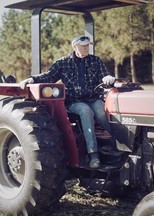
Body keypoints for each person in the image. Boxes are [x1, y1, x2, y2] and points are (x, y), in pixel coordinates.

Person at [20, 35, 115, 168]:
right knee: (85, 111)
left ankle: (116, 143)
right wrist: (32, 80)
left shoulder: (95, 61)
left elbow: (104, 75)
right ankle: (93, 155)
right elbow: (49, 76)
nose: (86, 48)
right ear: (75, 47)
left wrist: (108, 78)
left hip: (93, 98)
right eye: (83, 46)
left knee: (102, 112)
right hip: (74, 102)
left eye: (88, 46)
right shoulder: (63, 63)